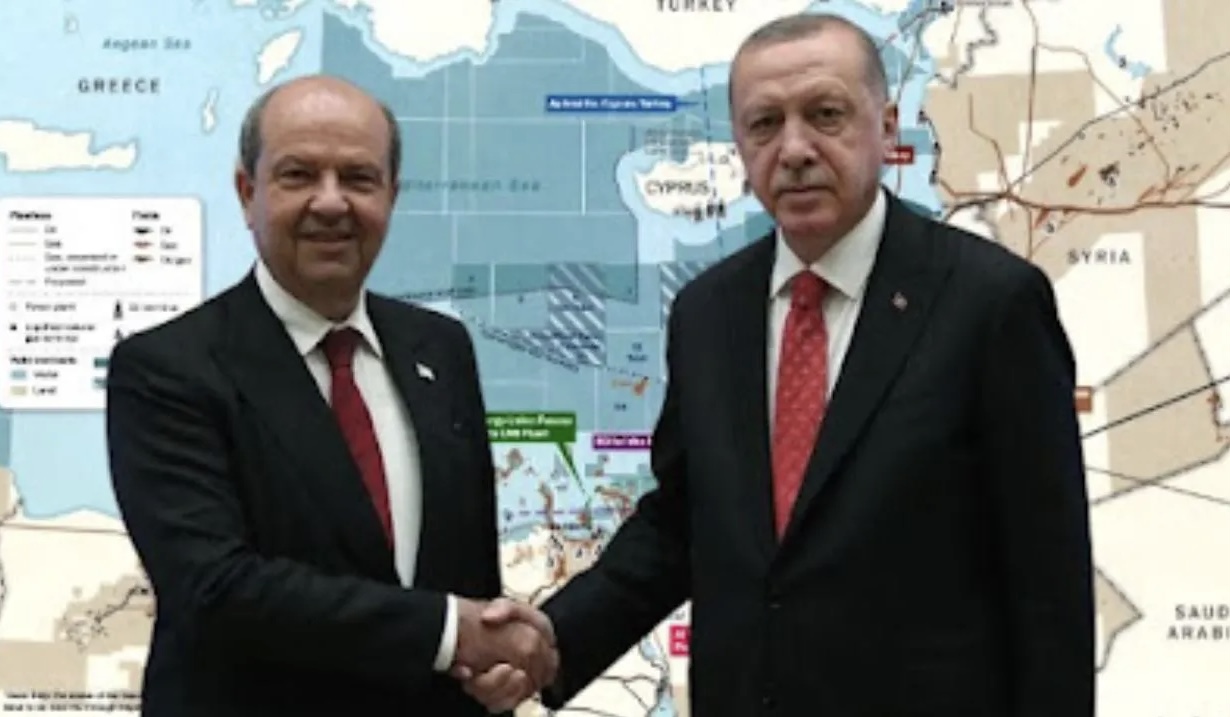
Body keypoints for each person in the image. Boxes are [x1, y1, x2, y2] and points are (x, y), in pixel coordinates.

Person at [462, 12, 1096, 716]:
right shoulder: (707, 312)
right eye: (764, 124)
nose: (794, 149)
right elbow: (681, 523)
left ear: (887, 128)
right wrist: (554, 640)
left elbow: (1049, 584)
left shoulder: (990, 303)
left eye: (825, 115)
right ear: (739, 143)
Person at [104, 75, 556, 716]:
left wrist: (496, 665)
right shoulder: (168, 369)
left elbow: (467, 580)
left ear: (392, 196)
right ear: (247, 193)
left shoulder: (440, 349)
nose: (331, 202)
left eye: (359, 178)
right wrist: (449, 633)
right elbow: (216, 587)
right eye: (298, 175)